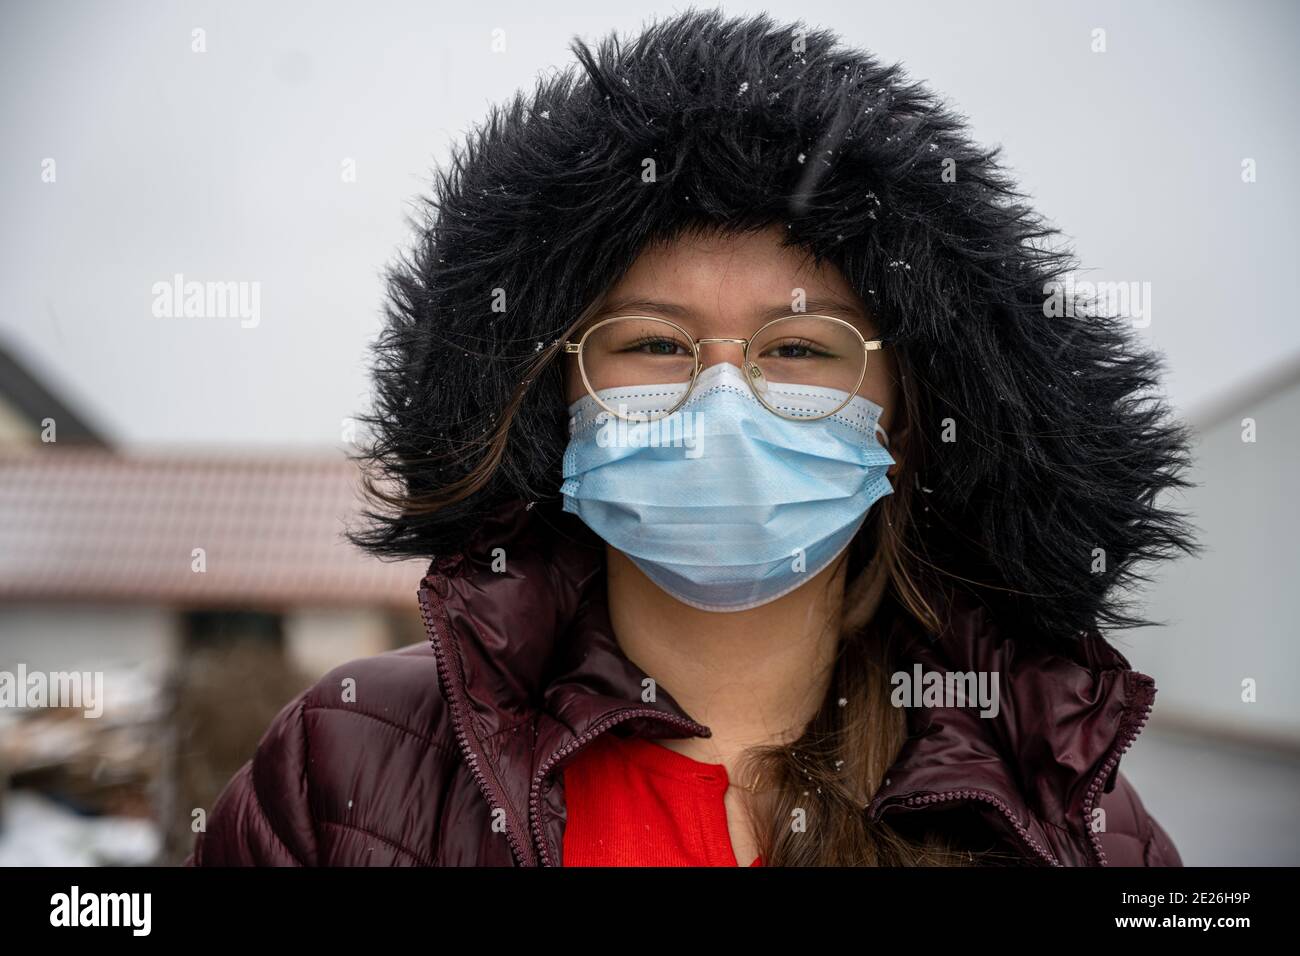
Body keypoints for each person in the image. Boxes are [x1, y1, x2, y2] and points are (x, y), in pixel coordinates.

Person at [185, 9, 1194, 867]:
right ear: (557, 398)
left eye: (798, 348)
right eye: (655, 341)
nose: (724, 400)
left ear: (902, 415)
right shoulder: (349, 763)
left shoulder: (1063, 814)